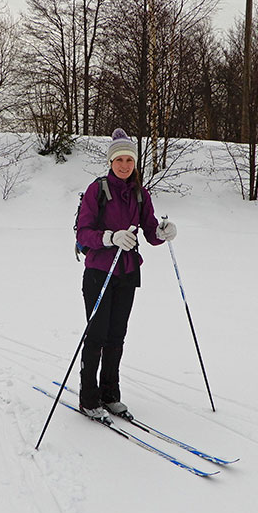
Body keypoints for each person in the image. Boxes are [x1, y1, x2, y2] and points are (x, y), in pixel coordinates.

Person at [74, 128, 177, 423]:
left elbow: (150, 231)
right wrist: (111, 237)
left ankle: (110, 395)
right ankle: (89, 398)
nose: (124, 165)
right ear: (110, 161)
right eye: (118, 160)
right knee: (97, 336)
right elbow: (84, 233)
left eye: (128, 160)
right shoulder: (97, 189)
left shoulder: (140, 194)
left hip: (127, 273)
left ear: (135, 163)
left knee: (116, 336)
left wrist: (162, 232)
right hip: (99, 272)